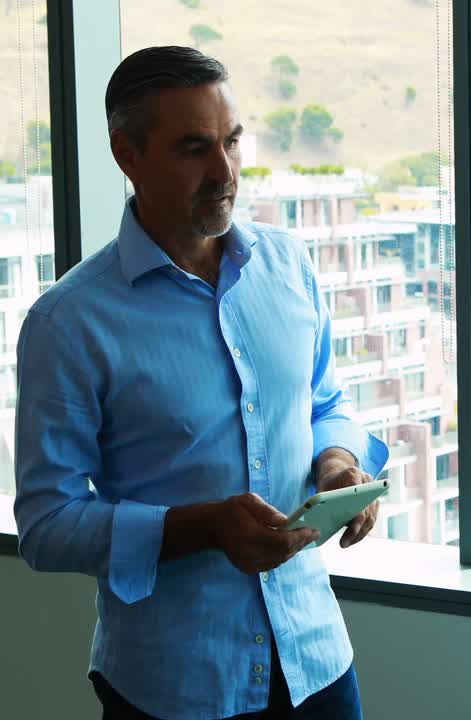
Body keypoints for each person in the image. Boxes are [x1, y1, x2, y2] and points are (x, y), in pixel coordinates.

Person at [14, 46, 388, 719]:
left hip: (315, 661)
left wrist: (337, 463)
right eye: (193, 148)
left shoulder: (289, 266)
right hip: (174, 685)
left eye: (232, 141)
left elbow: (325, 400)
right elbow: (46, 525)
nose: (224, 171)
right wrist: (204, 527)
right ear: (127, 155)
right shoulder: (68, 323)